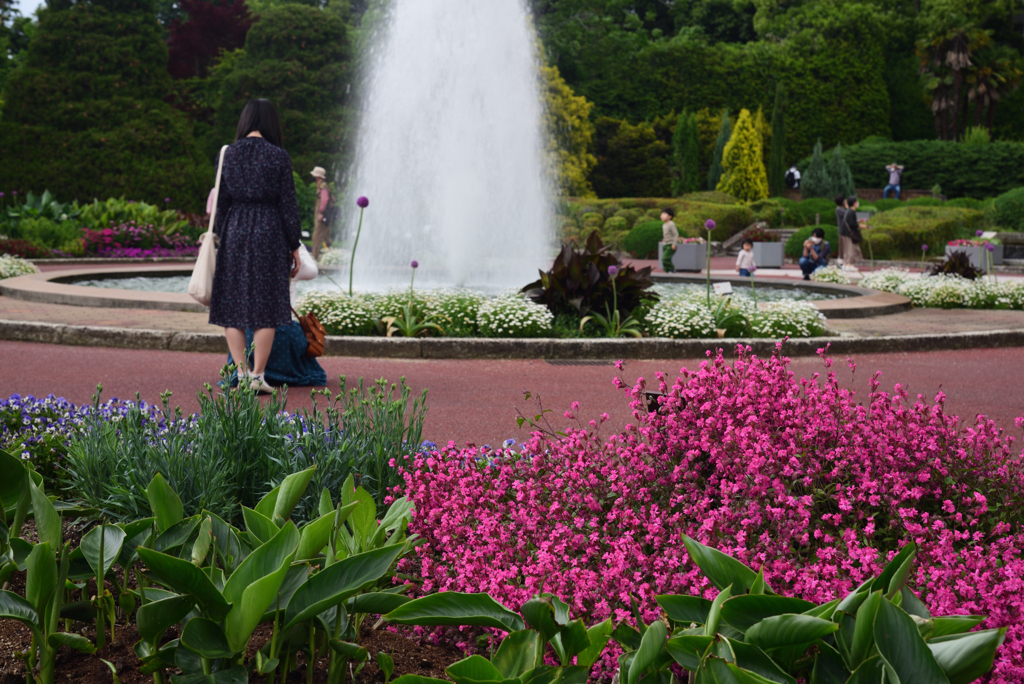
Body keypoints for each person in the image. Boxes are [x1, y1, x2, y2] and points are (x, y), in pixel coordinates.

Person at [209, 98, 302, 393]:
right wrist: (295, 245)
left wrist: (221, 238)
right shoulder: (279, 156)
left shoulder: (228, 154)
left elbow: (220, 204)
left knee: (231, 304)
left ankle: (240, 371)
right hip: (270, 232)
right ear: (271, 122)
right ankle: (258, 376)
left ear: (245, 120)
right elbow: (288, 204)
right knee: (268, 304)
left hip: (234, 229)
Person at [310, 166, 335, 260]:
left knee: (316, 236)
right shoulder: (326, 186)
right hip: (327, 215)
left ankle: (315, 257)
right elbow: (333, 199)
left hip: (322, 215)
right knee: (326, 236)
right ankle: (329, 256)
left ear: (317, 177)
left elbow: (325, 199)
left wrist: (321, 213)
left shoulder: (322, 186)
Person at [840, 195, 864, 269]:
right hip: (849, 234)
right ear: (854, 203)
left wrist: (857, 222)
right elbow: (852, 224)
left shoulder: (848, 211)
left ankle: (845, 264)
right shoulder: (852, 212)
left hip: (846, 233)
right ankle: (848, 265)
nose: (857, 203)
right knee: (851, 250)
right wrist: (861, 226)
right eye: (856, 202)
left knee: (847, 250)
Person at [661, 207, 679, 273]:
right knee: (666, 259)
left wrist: (674, 244)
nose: (662, 216)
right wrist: (664, 243)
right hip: (666, 244)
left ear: (670, 216)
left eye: (664, 214)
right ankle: (667, 271)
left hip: (670, 244)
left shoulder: (671, 224)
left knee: (665, 259)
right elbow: (665, 236)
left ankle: (671, 269)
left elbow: (676, 234)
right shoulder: (664, 225)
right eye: (661, 214)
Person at [835, 194, 849, 266]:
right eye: (844, 200)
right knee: (842, 248)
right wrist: (848, 207)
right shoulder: (839, 210)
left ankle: (842, 262)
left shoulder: (841, 209)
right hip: (842, 231)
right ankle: (840, 263)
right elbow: (848, 215)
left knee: (844, 247)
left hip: (844, 231)